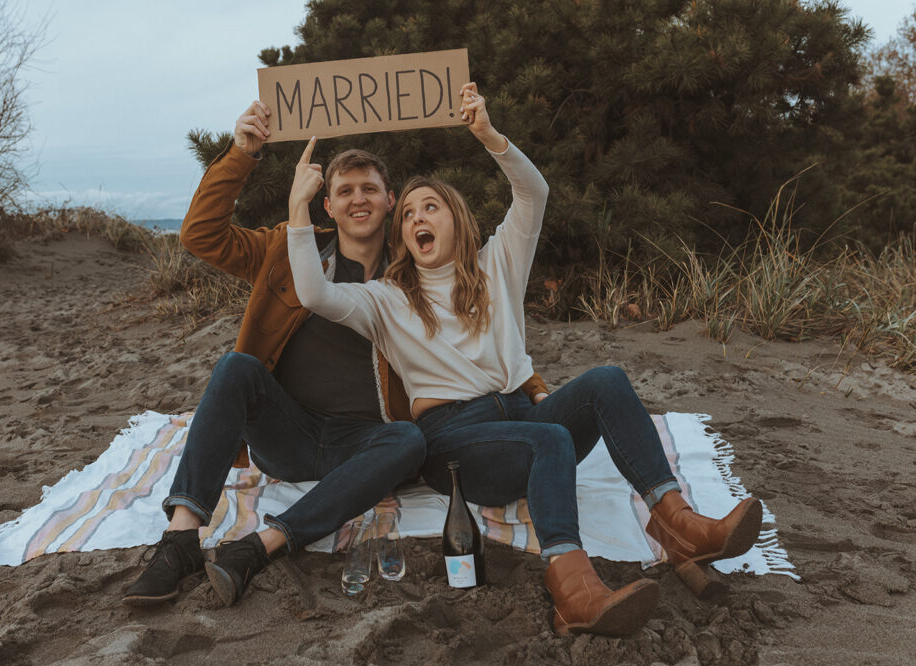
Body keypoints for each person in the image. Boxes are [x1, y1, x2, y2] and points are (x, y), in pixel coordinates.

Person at [286, 83, 762, 637]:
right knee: (552, 440)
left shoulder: (497, 265)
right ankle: (572, 587)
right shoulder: (387, 299)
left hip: (520, 415)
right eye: (409, 211)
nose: (418, 216)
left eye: (431, 206)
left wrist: (488, 135)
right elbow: (316, 294)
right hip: (454, 445)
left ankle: (677, 522)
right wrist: (299, 205)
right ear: (404, 232)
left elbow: (533, 193)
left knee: (605, 381)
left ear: (455, 220)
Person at [122, 101, 548, 607]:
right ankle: (180, 541)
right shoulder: (286, 249)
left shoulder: (417, 274)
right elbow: (199, 236)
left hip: (366, 442)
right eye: (344, 191)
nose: (358, 200)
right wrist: (241, 153)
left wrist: (534, 387)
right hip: (289, 433)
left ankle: (266, 545)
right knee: (237, 367)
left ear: (391, 201)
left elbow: (482, 338)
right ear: (326, 205)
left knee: (408, 440)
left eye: (370, 189)